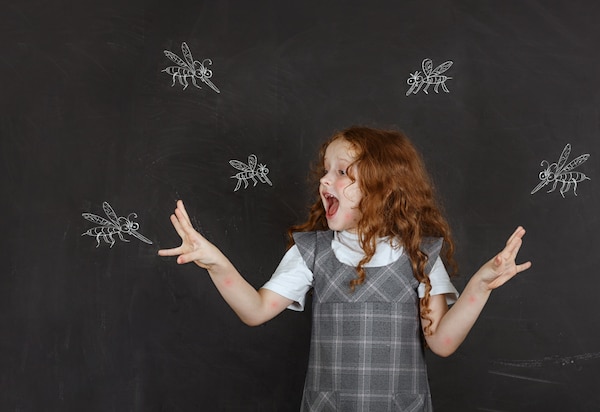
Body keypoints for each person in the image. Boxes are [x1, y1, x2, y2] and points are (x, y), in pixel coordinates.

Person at [158, 126, 531, 412]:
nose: (324, 180)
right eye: (325, 171)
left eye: (341, 172)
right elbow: (254, 311)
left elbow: (443, 342)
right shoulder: (312, 252)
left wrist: (481, 285)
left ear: (383, 188)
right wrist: (215, 262)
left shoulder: (421, 257)